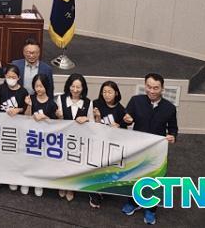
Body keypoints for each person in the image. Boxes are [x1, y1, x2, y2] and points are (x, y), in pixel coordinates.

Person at [121, 73, 178, 225]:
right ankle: (133, 202)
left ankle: (151, 209)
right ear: (145, 86)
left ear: (162, 89)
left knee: (155, 180)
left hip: (157, 151)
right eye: (149, 87)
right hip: (137, 148)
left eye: (156, 88)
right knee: (134, 176)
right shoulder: (136, 101)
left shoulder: (170, 108)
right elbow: (125, 120)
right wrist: (127, 119)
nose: (152, 91)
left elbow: (173, 128)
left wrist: (173, 136)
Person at [0, 64, 28, 192]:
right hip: (1, 126)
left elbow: (25, 110)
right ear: (5, 76)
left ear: (18, 78)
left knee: (14, 154)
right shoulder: (0, 88)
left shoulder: (23, 92)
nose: (11, 79)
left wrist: (18, 109)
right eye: (8, 76)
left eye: (13, 77)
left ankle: (12, 178)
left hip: (16, 128)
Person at [55, 73, 92, 202]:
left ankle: (70, 188)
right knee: (62, 163)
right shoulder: (61, 99)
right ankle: (61, 185)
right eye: (73, 86)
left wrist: (86, 119)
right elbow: (57, 121)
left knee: (74, 164)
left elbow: (92, 123)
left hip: (79, 140)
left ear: (83, 88)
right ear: (68, 86)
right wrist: (58, 116)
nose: (75, 90)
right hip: (63, 138)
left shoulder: (88, 102)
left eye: (78, 87)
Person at [89, 81, 125, 209]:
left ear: (116, 93)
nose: (106, 94)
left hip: (112, 144)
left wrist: (119, 126)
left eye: (109, 92)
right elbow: (92, 125)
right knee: (96, 167)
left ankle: (104, 188)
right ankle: (94, 192)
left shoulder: (121, 109)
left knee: (108, 168)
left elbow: (125, 132)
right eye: (104, 92)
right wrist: (98, 117)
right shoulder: (96, 103)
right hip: (97, 141)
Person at [25, 73, 57, 197]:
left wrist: (45, 117)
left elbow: (55, 124)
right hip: (30, 136)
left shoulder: (52, 103)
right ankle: (25, 181)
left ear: (46, 87)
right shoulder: (31, 98)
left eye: (41, 86)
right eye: (36, 86)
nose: (38, 89)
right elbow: (25, 117)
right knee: (28, 159)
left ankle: (38, 183)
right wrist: (29, 106)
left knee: (40, 161)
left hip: (44, 138)